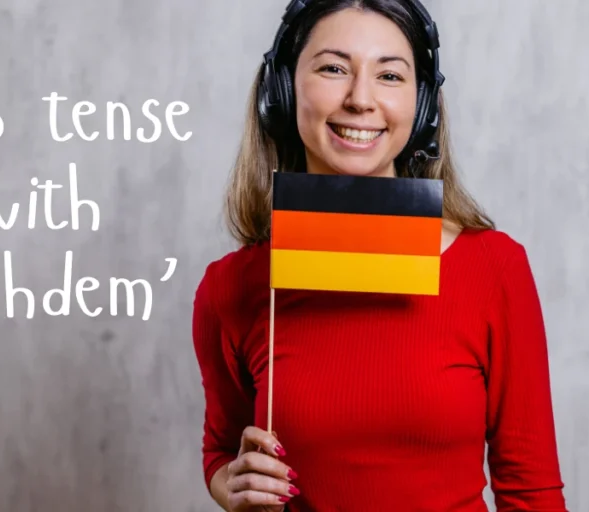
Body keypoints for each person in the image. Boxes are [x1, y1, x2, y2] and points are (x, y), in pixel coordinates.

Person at [191, 0, 569, 510]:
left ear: (422, 106)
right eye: (333, 68)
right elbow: (221, 450)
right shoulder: (231, 287)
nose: (360, 99)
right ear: (281, 92)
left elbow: (532, 491)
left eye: (389, 75)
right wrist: (232, 485)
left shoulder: (494, 268)